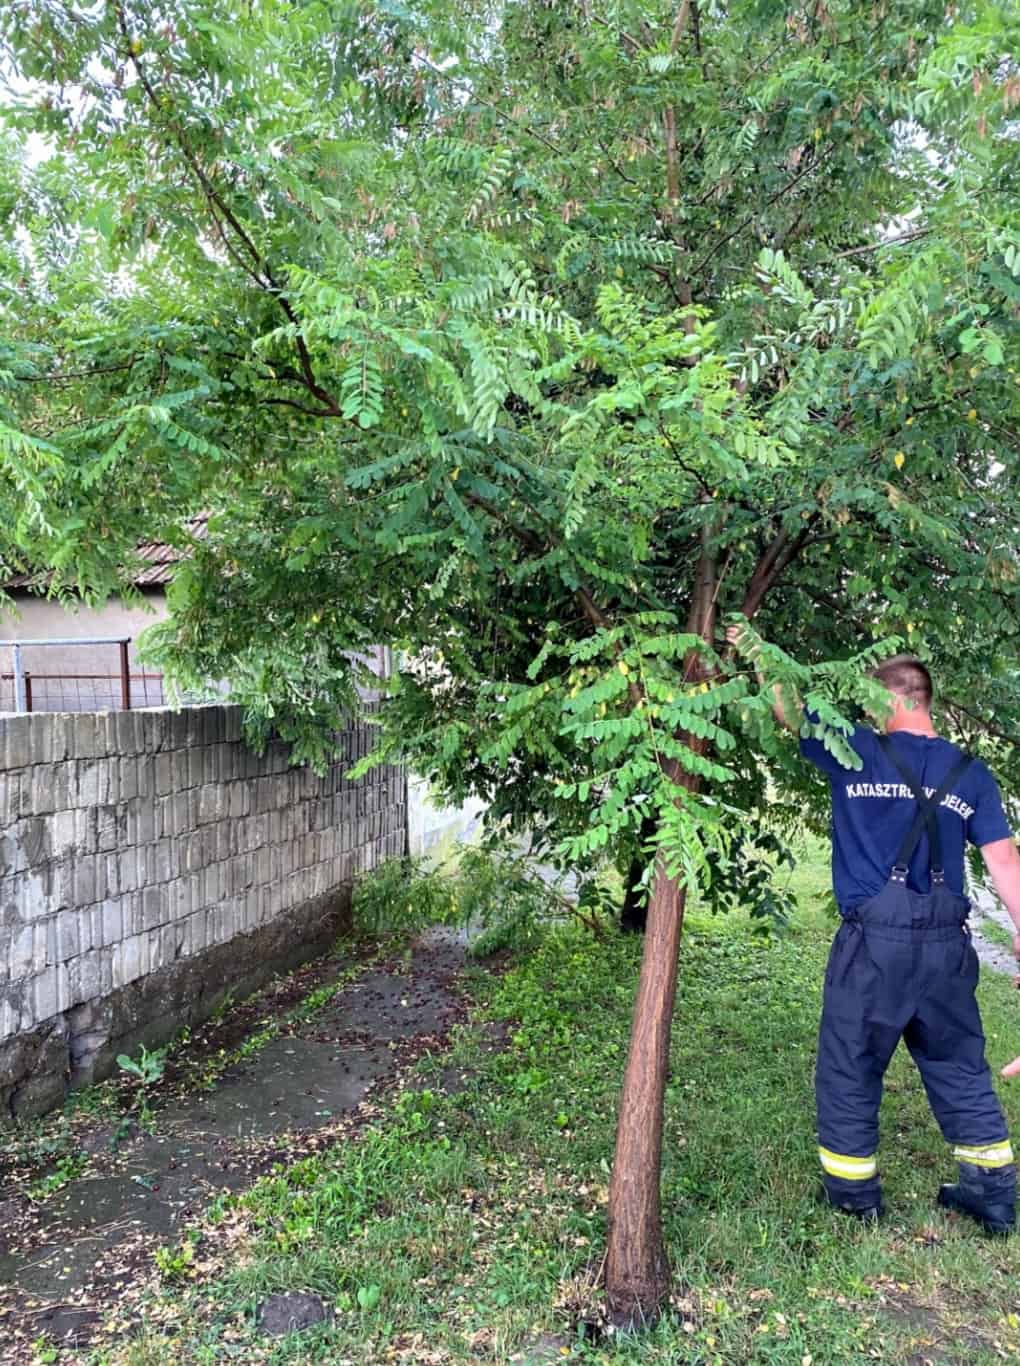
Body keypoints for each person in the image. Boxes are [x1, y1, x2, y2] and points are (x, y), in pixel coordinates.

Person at [727, 627, 1020, 1233]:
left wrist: (757, 649)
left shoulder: (853, 749)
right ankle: (993, 1195)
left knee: (851, 1065)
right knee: (960, 1062)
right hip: (946, 948)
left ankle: (855, 1201)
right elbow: (1006, 862)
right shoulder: (971, 774)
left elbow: (787, 708)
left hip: (872, 947)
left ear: (890, 699)